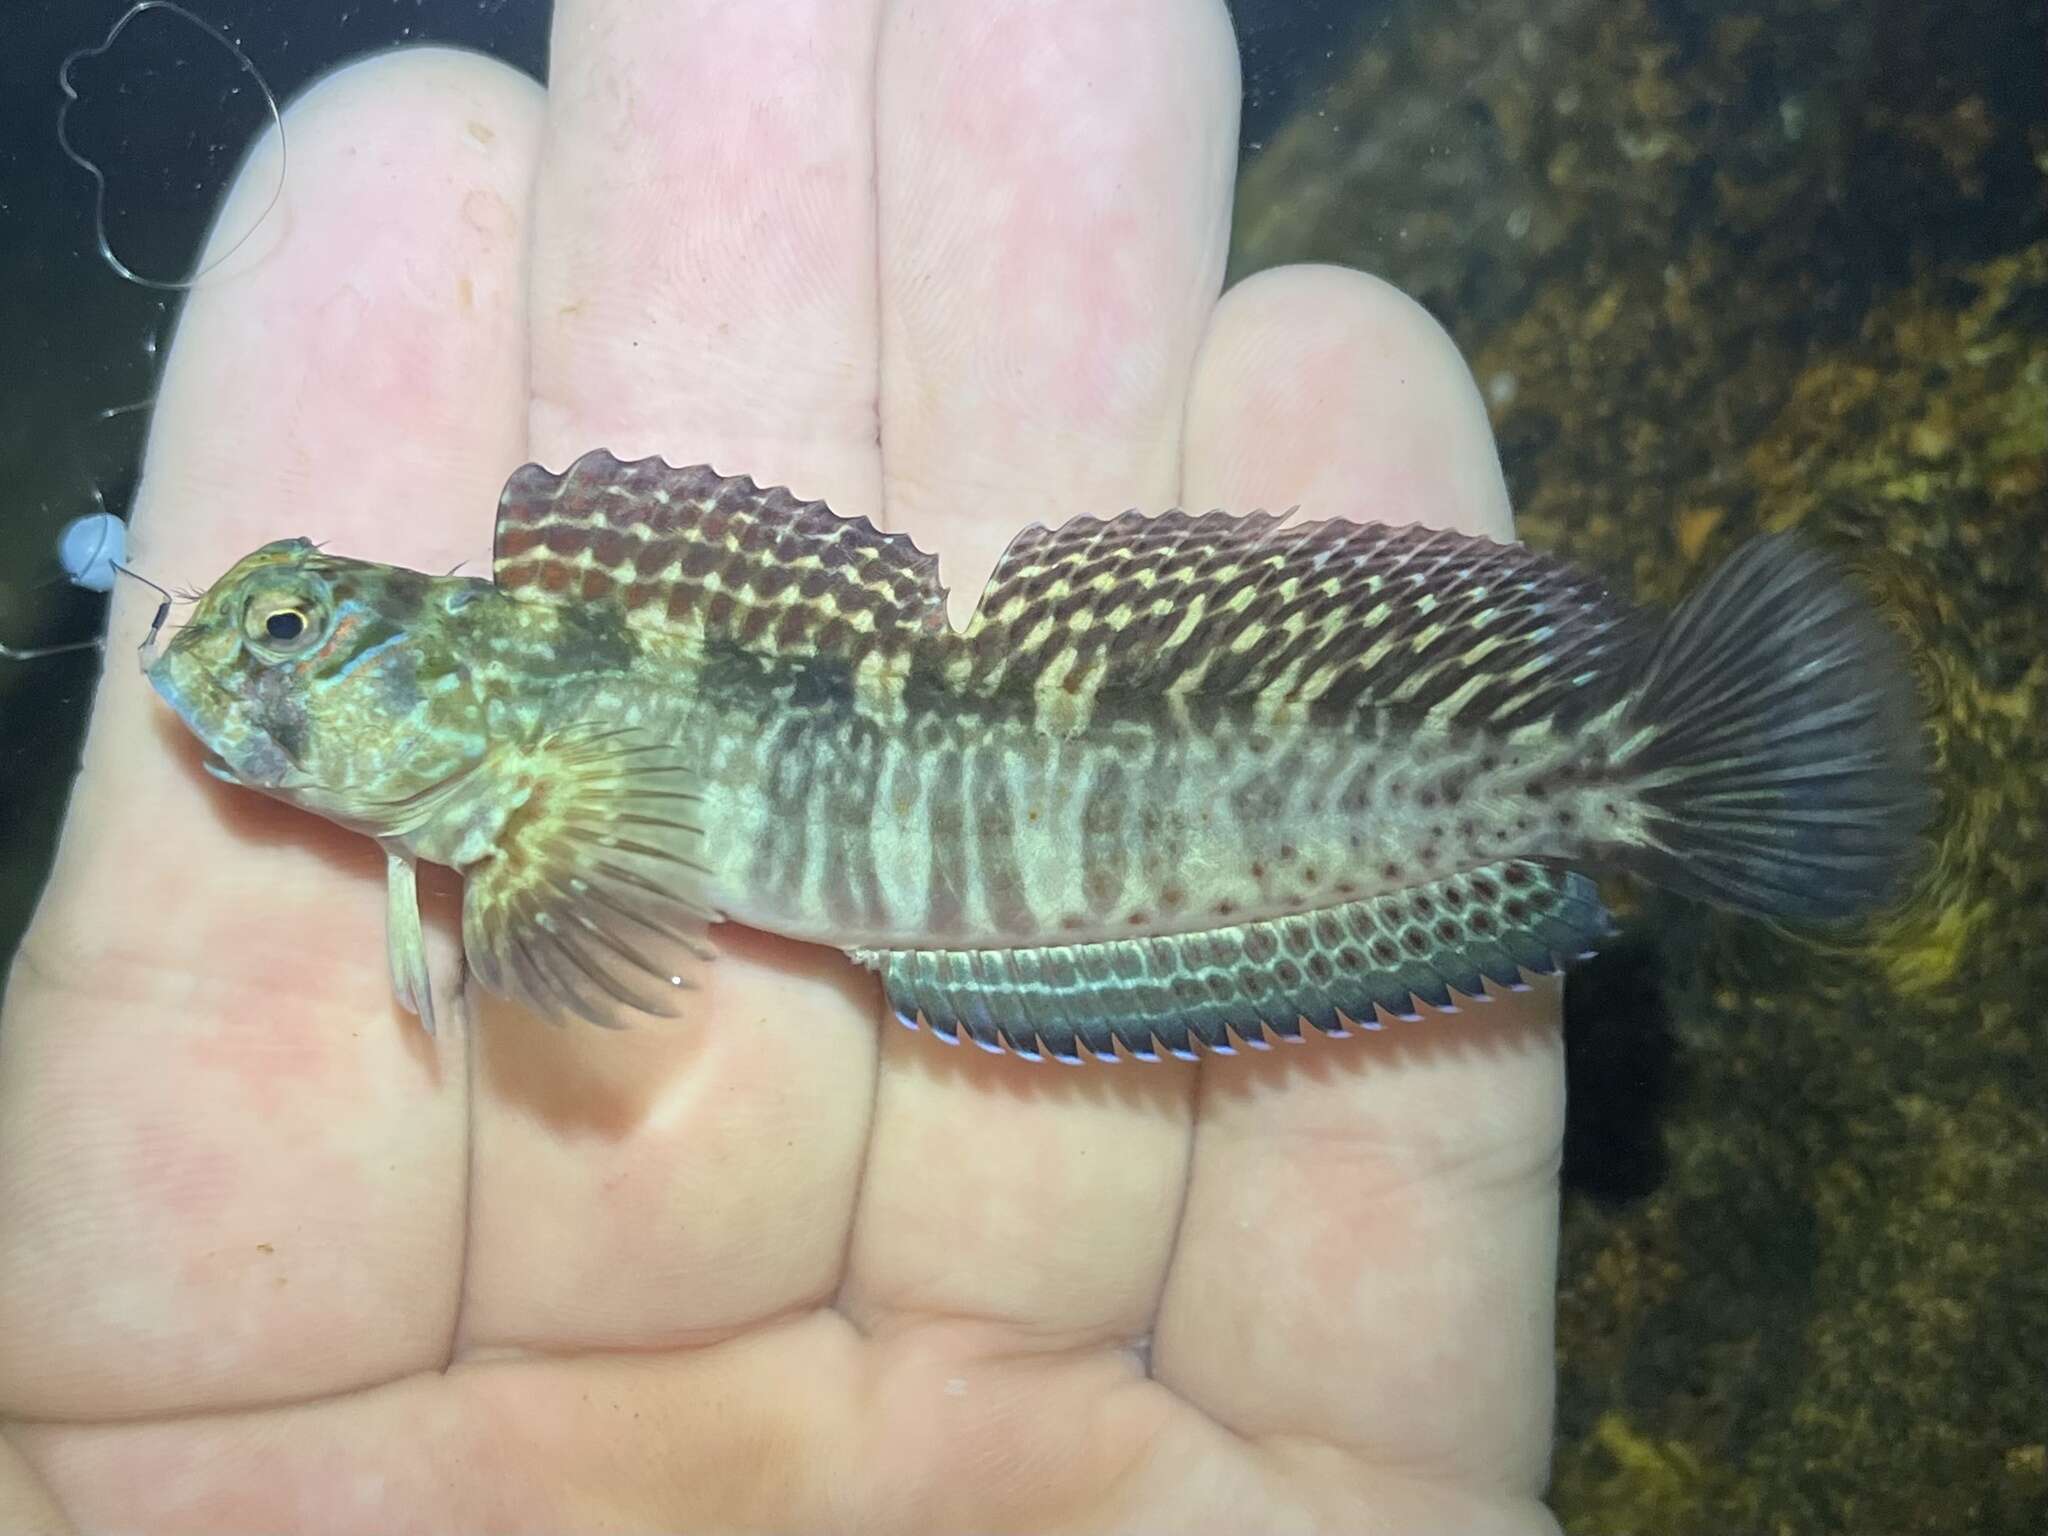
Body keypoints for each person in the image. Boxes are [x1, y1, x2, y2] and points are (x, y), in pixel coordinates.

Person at [0, 3, 1565, 1530]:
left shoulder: (538, 775)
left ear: (449, 689)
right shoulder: (501, 782)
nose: (241, 671)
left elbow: (594, 928)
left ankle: (1587, 780)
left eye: (285, 627)